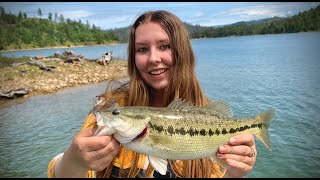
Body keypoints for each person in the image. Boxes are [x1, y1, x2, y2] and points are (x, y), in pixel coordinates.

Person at [47, 10, 257, 178]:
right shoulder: (109, 109)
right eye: (142, 49)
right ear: (133, 58)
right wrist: (73, 161)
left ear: (182, 52)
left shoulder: (206, 116)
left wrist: (235, 173)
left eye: (165, 46)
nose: (153, 58)